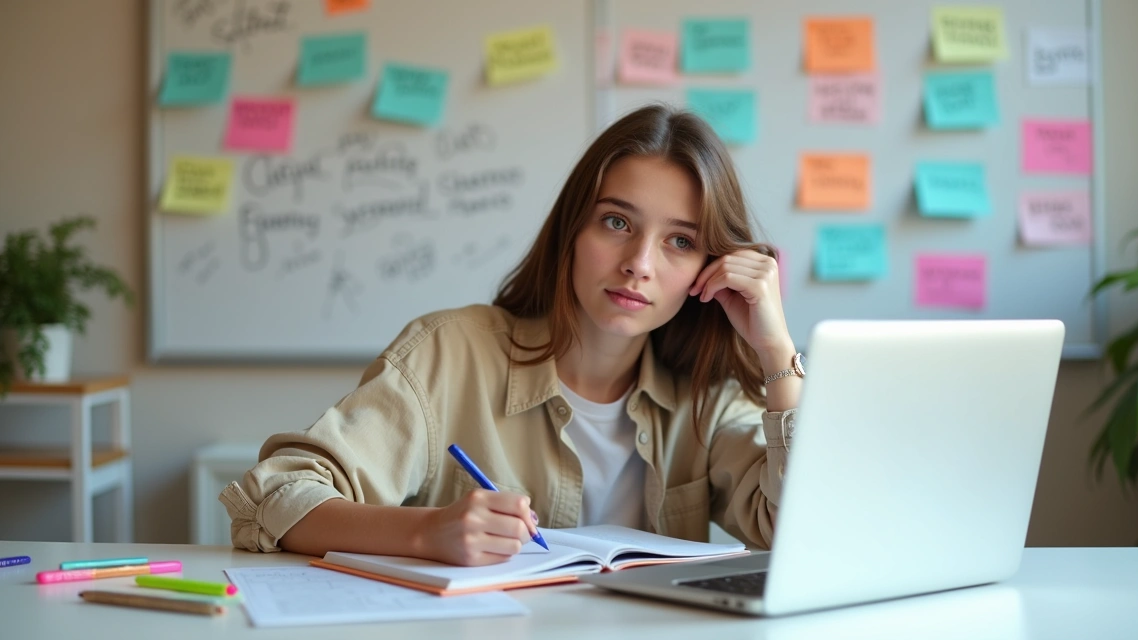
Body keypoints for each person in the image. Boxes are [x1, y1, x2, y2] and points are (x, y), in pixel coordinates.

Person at [220, 104, 803, 566]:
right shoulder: (449, 353)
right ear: (572, 230)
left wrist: (776, 353)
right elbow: (277, 497)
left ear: (711, 264)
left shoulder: (708, 395)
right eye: (616, 222)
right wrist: (428, 532)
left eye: (680, 240)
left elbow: (798, 530)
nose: (639, 264)